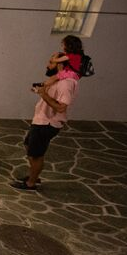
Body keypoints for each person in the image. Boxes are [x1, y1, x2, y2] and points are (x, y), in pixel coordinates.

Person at [13, 56, 79, 191]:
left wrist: (43, 94)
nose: (47, 65)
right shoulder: (57, 79)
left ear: (60, 65)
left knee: (36, 155)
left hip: (48, 123)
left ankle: (31, 183)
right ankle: (34, 175)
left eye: (51, 62)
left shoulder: (66, 84)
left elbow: (61, 107)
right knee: (29, 146)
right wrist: (41, 90)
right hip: (41, 120)